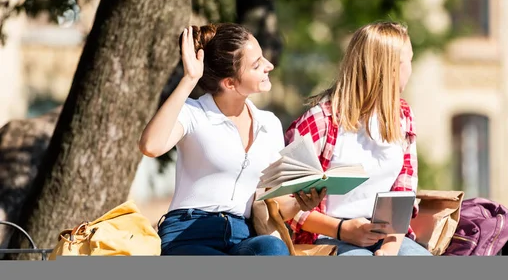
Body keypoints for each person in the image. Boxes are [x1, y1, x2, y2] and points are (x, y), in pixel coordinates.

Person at [138, 23, 325, 256]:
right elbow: (150, 146)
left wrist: (300, 202)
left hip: (243, 234)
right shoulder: (193, 113)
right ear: (230, 83)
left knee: (273, 247)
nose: (270, 66)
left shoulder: (269, 124)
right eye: (257, 64)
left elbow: (273, 202)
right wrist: (189, 79)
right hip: (188, 232)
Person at [284, 21, 432, 256]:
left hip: (387, 238)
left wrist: (390, 248)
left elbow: (404, 188)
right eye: (409, 61)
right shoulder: (320, 121)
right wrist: (343, 230)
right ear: (390, 68)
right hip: (328, 238)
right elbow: (285, 204)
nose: (411, 70)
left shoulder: (402, 117)